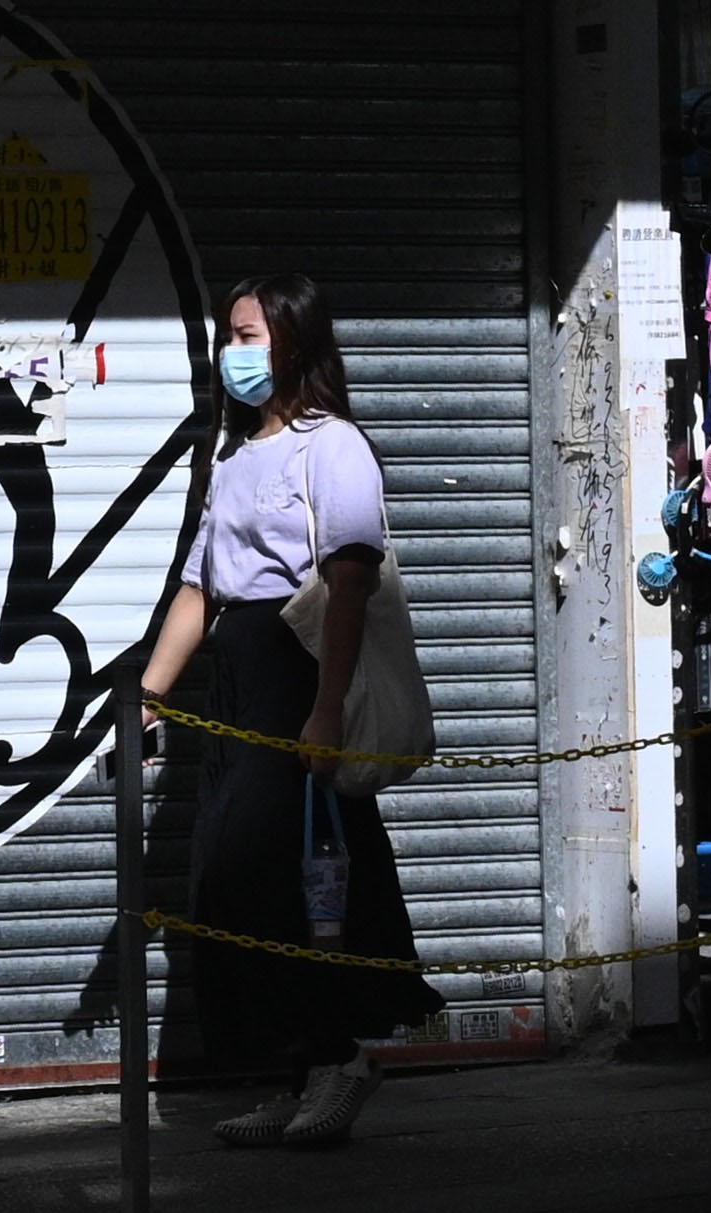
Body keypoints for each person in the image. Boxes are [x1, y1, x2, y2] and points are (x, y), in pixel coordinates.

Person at [137, 272, 440, 1151]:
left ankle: (340, 1059)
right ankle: (293, 1069)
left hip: (297, 672)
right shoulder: (233, 458)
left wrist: (325, 706)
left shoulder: (331, 446)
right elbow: (201, 583)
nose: (233, 353)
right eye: (228, 336)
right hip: (238, 683)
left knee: (308, 881)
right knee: (236, 885)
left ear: (295, 343)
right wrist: (150, 691)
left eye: (248, 335)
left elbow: (347, 582)